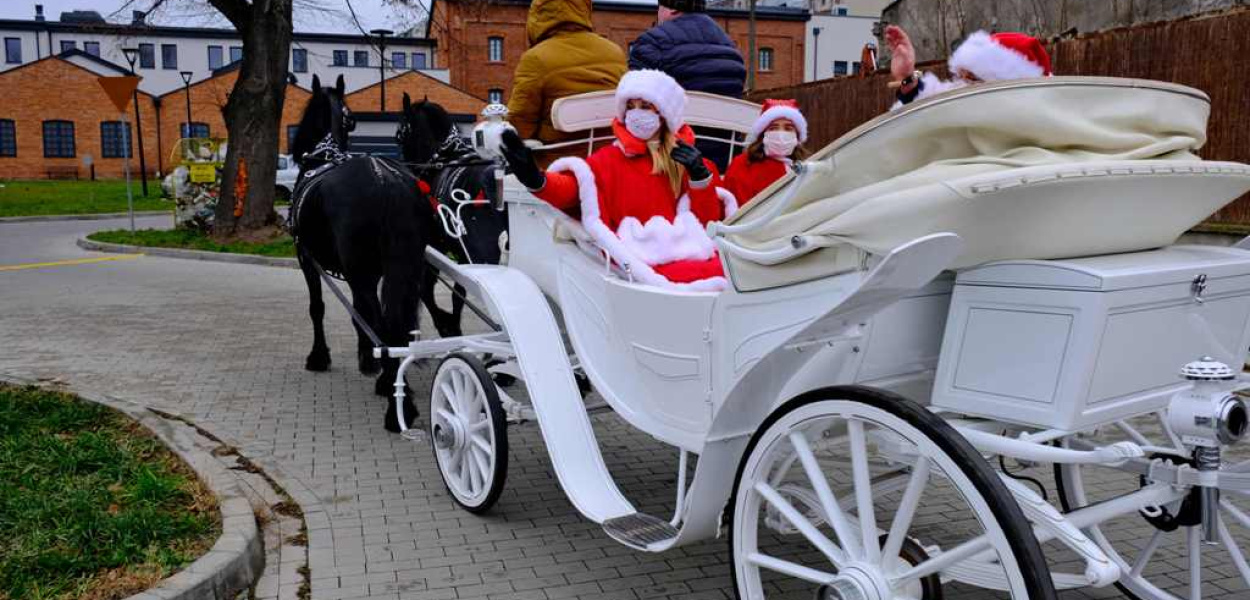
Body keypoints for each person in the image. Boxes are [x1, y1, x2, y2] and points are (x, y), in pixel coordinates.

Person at [501, 69, 737, 290]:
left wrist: (700, 178)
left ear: (664, 115)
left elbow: (706, 225)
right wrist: (534, 178)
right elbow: (575, 190)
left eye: (645, 106)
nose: (636, 114)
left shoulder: (688, 161)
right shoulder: (609, 160)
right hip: (631, 258)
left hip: (688, 251)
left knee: (729, 271)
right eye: (630, 107)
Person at [628, 0, 747, 171]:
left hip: (667, 166)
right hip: (721, 166)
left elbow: (633, 106)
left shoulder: (653, 42)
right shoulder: (731, 50)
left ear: (672, 7)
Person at [507, 0, 627, 147]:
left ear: (537, 16)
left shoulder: (536, 58)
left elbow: (519, 124)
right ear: (584, 10)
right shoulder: (615, 52)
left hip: (556, 162)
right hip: (608, 158)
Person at [887, 25, 1053, 108]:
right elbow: (930, 103)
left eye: (971, 77)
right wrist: (907, 77)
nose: (961, 82)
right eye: (961, 75)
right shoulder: (964, 97)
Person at [723, 99, 809, 205]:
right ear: (763, 134)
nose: (781, 134)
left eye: (788, 128)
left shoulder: (806, 167)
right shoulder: (742, 165)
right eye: (773, 128)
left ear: (797, 135)